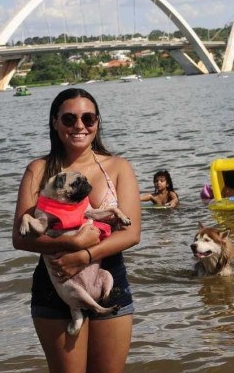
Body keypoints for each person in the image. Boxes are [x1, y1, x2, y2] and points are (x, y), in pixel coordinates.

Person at [12, 88, 141, 372]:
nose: (79, 126)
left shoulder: (119, 167)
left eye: (88, 118)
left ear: (97, 122)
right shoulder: (39, 169)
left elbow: (132, 233)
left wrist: (83, 255)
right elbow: (20, 238)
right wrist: (71, 245)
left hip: (109, 278)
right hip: (55, 282)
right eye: (69, 119)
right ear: (54, 122)